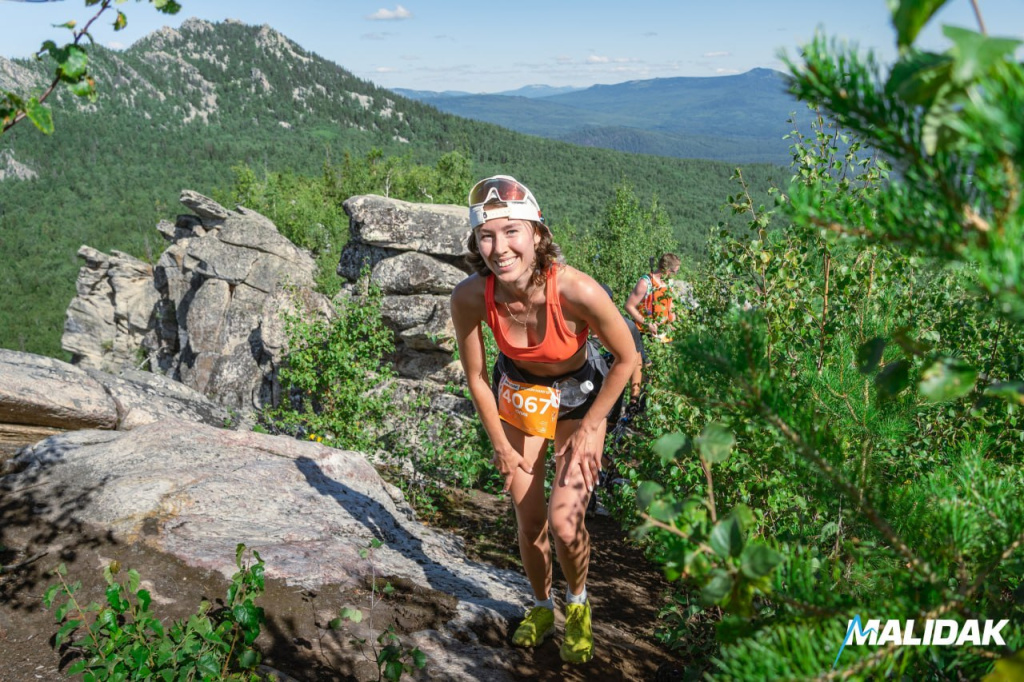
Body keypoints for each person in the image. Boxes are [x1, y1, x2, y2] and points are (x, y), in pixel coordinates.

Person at [450, 175, 636, 664]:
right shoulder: (471, 296)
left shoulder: (576, 290)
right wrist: (501, 445)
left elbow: (627, 357)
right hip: (520, 396)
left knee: (565, 523)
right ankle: (539, 606)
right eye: (487, 236)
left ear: (537, 234)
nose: (499, 247)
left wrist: (594, 426)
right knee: (528, 516)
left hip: (580, 399)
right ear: (476, 242)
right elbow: (475, 377)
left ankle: (577, 605)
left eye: (512, 231)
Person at [600, 283, 646, 407]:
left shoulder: (627, 327)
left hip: (610, 393)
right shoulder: (576, 323)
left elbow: (636, 360)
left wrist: (634, 397)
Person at [625, 253, 681, 343]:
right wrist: (648, 324)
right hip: (645, 334)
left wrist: (672, 319)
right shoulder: (645, 283)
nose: (675, 274)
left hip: (664, 333)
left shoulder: (669, 283)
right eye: (674, 272)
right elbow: (629, 306)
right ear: (667, 270)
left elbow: (669, 304)